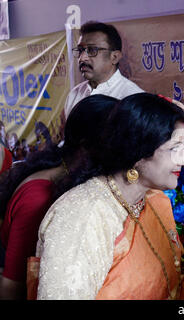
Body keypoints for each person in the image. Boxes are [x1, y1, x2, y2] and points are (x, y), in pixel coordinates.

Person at [29, 93, 184, 300]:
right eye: (174, 149)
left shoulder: (155, 200)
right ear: (138, 153)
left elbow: (173, 287)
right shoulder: (82, 217)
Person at [0, 95, 118, 300]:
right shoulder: (38, 197)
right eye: (116, 142)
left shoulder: (68, 175)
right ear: (87, 145)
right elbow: (12, 286)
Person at [62, 20, 144, 122]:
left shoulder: (132, 97)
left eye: (92, 50)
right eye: (80, 50)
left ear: (115, 57)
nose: (82, 58)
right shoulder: (75, 94)